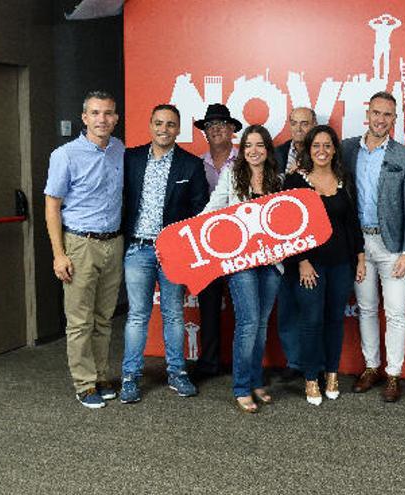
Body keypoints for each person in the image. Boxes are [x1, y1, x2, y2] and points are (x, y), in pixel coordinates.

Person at [119, 104, 209, 404]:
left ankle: (177, 372)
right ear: (150, 125)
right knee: (137, 316)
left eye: (170, 124)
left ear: (178, 129)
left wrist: (184, 250)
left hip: (173, 253)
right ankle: (130, 376)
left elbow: (199, 212)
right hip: (137, 249)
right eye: (158, 123)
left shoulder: (190, 165)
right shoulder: (130, 158)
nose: (164, 129)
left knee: (173, 314)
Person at [44, 90, 125, 408]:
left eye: (107, 113)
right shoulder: (65, 155)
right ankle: (84, 384)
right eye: (95, 113)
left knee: (104, 318)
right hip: (79, 244)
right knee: (79, 320)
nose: (102, 119)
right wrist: (59, 253)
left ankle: (102, 375)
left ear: (115, 118)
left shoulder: (119, 149)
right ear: (84, 118)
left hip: (113, 242)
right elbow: (52, 205)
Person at [341, 91, 405, 402]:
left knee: (396, 312)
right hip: (358, 244)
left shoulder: (403, 155)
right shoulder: (347, 150)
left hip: (393, 247)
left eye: (387, 115)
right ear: (368, 113)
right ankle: (371, 367)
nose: (381, 119)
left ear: (394, 119)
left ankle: (394, 374)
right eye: (376, 112)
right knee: (366, 308)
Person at [202, 125, 283, 412]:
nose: (253, 150)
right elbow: (213, 209)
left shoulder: (279, 178)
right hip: (241, 263)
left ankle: (256, 379)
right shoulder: (231, 175)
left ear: (267, 149)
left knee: (260, 326)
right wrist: (188, 236)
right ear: (243, 148)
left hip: (273, 264)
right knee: (248, 324)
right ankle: (241, 387)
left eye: (259, 145)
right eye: (248, 145)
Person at [284, 125, 366, 405]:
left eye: (327, 145)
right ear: (308, 149)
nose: (322, 150)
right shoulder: (295, 181)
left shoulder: (344, 178)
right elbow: (289, 228)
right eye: (316, 145)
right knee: (311, 321)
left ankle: (331, 373)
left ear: (334, 150)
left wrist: (360, 257)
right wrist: (302, 261)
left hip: (341, 263)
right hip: (310, 265)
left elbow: (352, 221)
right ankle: (310, 378)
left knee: (334, 320)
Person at [192, 103, 242, 379]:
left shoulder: (246, 160)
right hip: (207, 244)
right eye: (210, 126)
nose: (216, 129)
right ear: (205, 133)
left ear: (233, 129)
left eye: (222, 124)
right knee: (208, 306)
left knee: (243, 307)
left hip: (240, 243)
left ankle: (241, 365)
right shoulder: (196, 164)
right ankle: (209, 363)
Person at [274, 107, 318, 379]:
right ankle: (294, 363)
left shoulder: (323, 152)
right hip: (281, 241)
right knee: (287, 306)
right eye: (295, 123)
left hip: (314, 240)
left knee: (313, 308)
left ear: (314, 125)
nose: (300, 128)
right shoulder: (276, 154)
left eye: (305, 123)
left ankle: (316, 364)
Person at [274, 107, 317, 174]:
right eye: (294, 123)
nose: (298, 129)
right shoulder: (277, 152)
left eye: (304, 124)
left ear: (314, 125)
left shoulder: (321, 152)